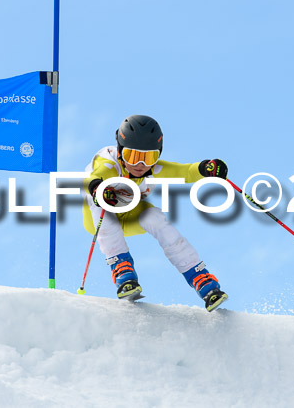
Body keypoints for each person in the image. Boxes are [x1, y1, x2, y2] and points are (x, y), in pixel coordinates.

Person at [82, 114, 229, 312]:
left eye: (149, 157)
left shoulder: (151, 169)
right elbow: (96, 177)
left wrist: (206, 169)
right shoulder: (108, 162)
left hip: (129, 216)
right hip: (99, 221)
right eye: (132, 156)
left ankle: (200, 278)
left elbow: (185, 172)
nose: (140, 165)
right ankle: (121, 267)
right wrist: (98, 189)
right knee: (99, 202)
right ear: (120, 151)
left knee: (155, 217)